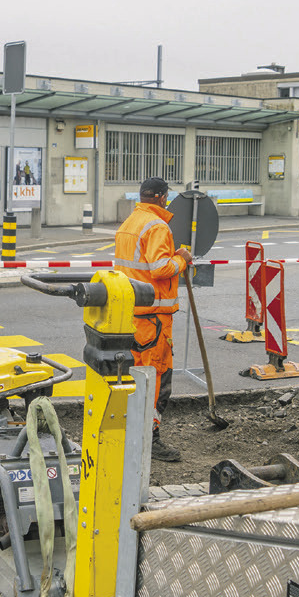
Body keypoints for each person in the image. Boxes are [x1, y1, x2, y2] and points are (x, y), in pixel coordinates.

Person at [114, 176, 193, 462]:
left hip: (133, 315)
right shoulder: (157, 226)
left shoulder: (129, 224)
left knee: (134, 377)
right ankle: (150, 438)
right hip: (154, 319)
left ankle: (130, 431)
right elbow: (160, 268)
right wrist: (182, 258)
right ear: (161, 197)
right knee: (156, 378)